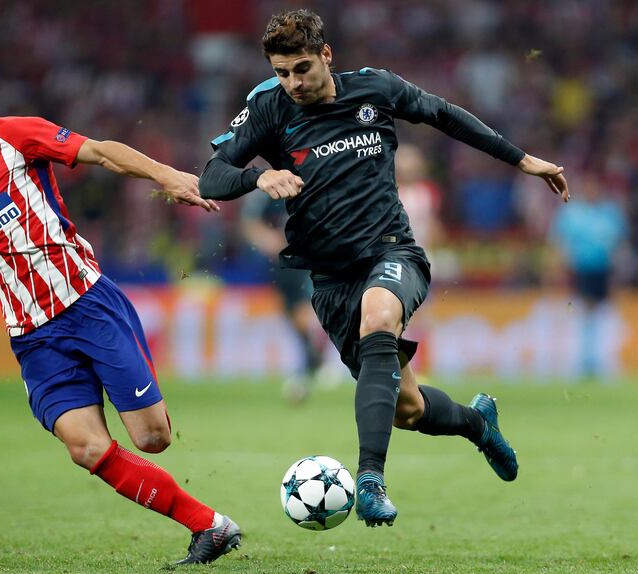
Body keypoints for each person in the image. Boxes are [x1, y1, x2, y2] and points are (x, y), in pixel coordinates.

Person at [199, 9, 569, 527]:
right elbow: (211, 176)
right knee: (409, 408)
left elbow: (444, 114)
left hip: (393, 253)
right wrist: (258, 179)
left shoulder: (374, 89)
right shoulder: (269, 110)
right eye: (282, 72)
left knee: (378, 315)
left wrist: (522, 159)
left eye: (302, 68)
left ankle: (369, 480)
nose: (293, 83)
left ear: (327, 55)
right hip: (330, 280)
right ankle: (477, 424)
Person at [0, 66, 241, 565]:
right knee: (86, 448)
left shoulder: (13, 136)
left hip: (87, 304)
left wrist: (170, 176)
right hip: (34, 340)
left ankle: (141, 393)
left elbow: (99, 151)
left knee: (152, 438)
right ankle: (210, 526)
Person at [240, 191, 324, 403]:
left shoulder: (316, 181)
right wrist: (272, 242)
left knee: (306, 306)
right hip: (283, 263)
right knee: (292, 311)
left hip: (311, 257)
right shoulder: (269, 191)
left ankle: (312, 359)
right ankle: (312, 355)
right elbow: (251, 224)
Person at [549, 171, 627, 379]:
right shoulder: (572, 213)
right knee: (583, 313)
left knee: (603, 315)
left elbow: (618, 244)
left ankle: (600, 360)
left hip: (604, 270)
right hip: (580, 270)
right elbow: (560, 242)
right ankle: (582, 360)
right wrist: (560, 269)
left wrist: (617, 272)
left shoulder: (610, 212)